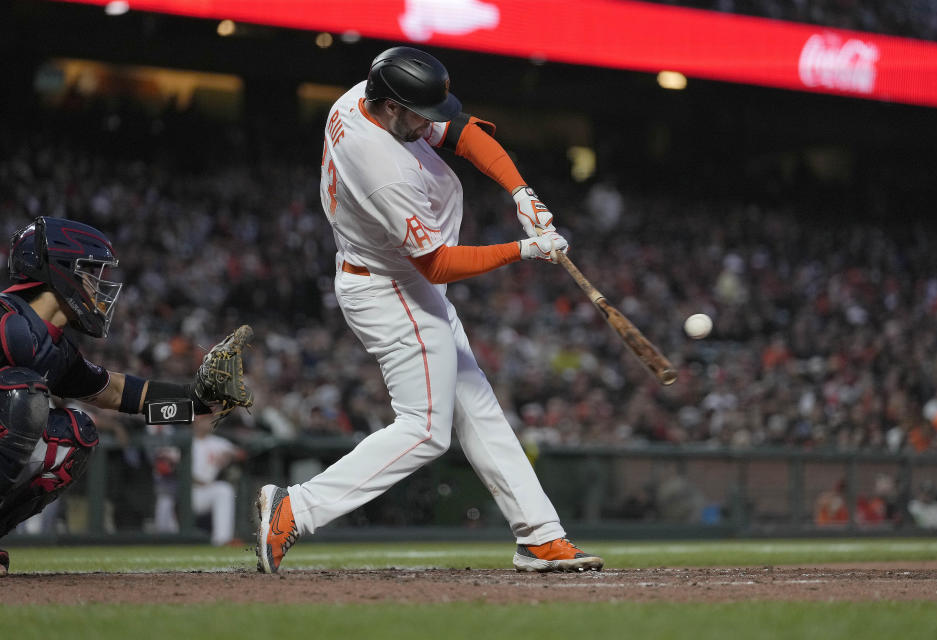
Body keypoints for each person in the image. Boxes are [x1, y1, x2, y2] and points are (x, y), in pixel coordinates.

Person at [255, 46, 604, 574]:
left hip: (394, 276)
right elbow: (437, 264)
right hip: (391, 288)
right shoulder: (379, 165)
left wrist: (520, 191)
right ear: (393, 107)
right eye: (422, 113)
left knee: (477, 406)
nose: (433, 122)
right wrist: (524, 250)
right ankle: (296, 508)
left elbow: (462, 133)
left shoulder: (368, 100)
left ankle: (540, 536)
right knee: (425, 429)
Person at [0, 216, 245, 575]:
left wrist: (196, 404)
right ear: (61, 269)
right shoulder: (7, 321)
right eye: (90, 272)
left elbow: (119, 394)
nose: (99, 286)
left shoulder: (54, 348)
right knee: (23, 395)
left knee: (76, 434)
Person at [191, 416, 246, 545]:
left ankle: (222, 541)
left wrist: (229, 457)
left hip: (205, 492)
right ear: (196, 422)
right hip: (185, 493)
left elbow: (241, 454)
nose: (210, 422)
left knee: (223, 489)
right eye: (205, 420)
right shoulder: (185, 440)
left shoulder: (217, 442)